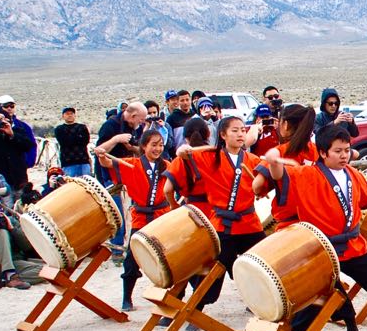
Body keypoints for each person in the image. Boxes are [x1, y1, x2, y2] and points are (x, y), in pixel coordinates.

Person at [262, 125, 367, 331]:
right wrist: (274, 163)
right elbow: (281, 176)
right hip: (321, 250)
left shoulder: (351, 173)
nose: (344, 155)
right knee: (313, 300)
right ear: (323, 152)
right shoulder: (306, 174)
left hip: (353, 246)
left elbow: (366, 189)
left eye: (347, 150)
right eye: (338, 151)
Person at [171, 116, 267, 313]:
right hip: (222, 225)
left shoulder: (253, 160)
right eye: (235, 130)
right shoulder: (210, 157)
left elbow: (269, 177)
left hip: (249, 224)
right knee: (213, 273)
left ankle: (263, 306)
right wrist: (185, 150)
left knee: (265, 264)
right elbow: (182, 154)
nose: (240, 134)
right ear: (222, 135)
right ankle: (194, 310)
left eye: (243, 130)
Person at [95, 129, 171, 311]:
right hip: (141, 217)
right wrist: (105, 151)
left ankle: (172, 296)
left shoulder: (167, 165)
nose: (158, 149)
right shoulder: (131, 164)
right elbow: (105, 160)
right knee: (132, 259)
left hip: (162, 216)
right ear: (143, 146)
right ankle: (127, 298)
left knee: (169, 257)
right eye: (154, 145)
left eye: (161, 145)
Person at [94, 101, 148, 258]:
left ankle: (135, 246)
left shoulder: (135, 128)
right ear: (133, 115)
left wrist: (133, 148)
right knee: (117, 212)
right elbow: (99, 150)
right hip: (109, 175)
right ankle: (117, 250)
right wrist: (116, 139)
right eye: (140, 119)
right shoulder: (110, 126)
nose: (141, 123)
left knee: (134, 211)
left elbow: (140, 149)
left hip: (129, 172)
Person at [253, 104, 318, 231]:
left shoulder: (279, 152)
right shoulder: (318, 151)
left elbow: (257, 186)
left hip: (290, 225)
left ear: (286, 125)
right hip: (317, 220)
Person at [0, 97, 36, 192]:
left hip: (18, 178)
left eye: (12, 106)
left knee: (21, 199)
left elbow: (29, 145)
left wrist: (12, 134)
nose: (9, 108)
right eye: (6, 106)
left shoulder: (21, 127)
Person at [55, 107, 92, 178]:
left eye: (71, 113)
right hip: (68, 162)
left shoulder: (82, 127)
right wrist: (78, 137)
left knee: (86, 182)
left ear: (75, 115)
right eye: (67, 114)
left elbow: (85, 141)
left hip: (83, 161)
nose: (70, 115)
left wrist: (71, 138)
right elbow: (64, 143)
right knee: (70, 182)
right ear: (63, 116)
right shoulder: (59, 129)